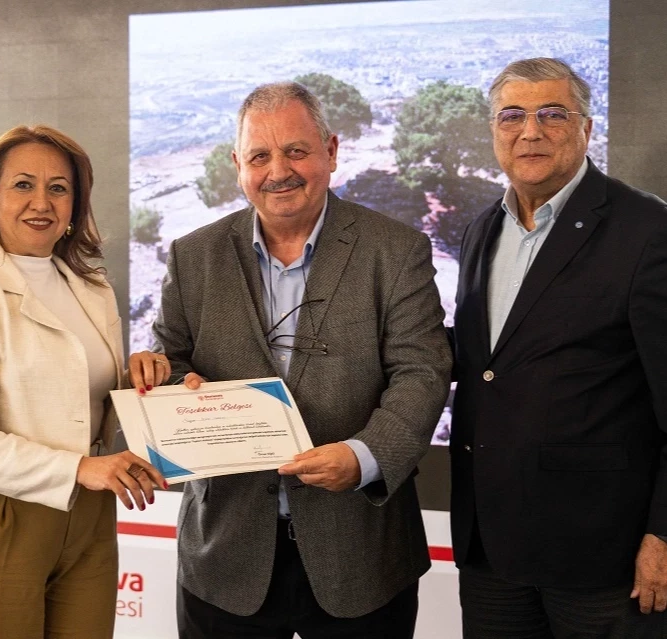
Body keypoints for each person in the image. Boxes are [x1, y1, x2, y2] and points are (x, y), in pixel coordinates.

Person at [150, 81, 451, 638]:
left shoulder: (396, 250)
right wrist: (173, 385)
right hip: (224, 555)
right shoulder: (193, 256)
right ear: (237, 165)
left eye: (296, 151)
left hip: (362, 554)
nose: (278, 171)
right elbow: (168, 361)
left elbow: (422, 373)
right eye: (259, 156)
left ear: (331, 152)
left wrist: (363, 457)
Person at [0, 124, 168, 639]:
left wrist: (142, 378)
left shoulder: (93, 289)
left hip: (89, 513)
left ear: (75, 205)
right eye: (23, 185)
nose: (42, 202)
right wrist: (81, 469)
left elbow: (82, 399)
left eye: (59, 188)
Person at [450, 57, 667, 638]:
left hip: (603, 555)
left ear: (586, 128)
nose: (531, 131)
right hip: (490, 550)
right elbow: (485, 359)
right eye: (512, 116)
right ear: (494, 130)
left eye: (552, 114)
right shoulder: (481, 230)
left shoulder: (648, 231)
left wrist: (665, 536)